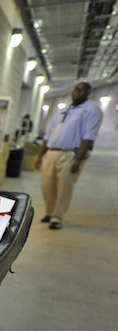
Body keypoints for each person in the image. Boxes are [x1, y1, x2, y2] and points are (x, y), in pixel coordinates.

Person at [34, 82, 103, 230]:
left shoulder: (92, 110)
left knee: (64, 186)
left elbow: (89, 136)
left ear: (88, 93)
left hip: (71, 153)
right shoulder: (64, 109)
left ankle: (57, 217)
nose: (77, 93)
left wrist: (78, 160)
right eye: (75, 90)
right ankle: (49, 211)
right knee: (47, 185)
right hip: (52, 152)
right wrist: (40, 155)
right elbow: (49, 133)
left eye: (82, 91)